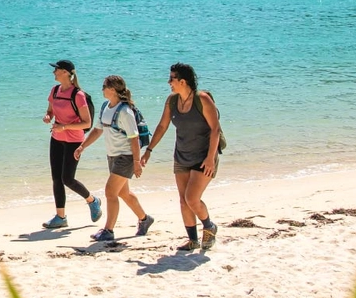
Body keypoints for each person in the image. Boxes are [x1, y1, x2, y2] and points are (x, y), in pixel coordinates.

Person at [142, 63, 222, 251]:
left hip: (204, 156)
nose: (169, 82)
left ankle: (209, 226)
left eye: (172, 78)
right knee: (183, 199)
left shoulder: (202, 99)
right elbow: (162, 126)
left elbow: (215, 129)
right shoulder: (172, 101)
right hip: (181, 156)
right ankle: (193, 239)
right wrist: (149, 150)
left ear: (183, 81)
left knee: (192, 198)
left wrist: (210, 158)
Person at [75, 75, 153, 243]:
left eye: (104, 86)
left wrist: (136, 163)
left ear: (112, 89)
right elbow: (97, 130)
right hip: (112, 156)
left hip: (126, 157)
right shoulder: (105, 107)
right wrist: (82, 146)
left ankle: (108, 230)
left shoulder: (125, 111)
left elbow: (134, 138)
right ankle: (145, 219)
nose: (102, 89)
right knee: (123, 193)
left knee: (110, 191)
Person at [41, 60, 101, 229]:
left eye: (57, 70)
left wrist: (65, 126)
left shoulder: (78, 95)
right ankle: (61, 217)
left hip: (74, 140)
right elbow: (50, 110)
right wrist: (48, 117)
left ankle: (92, 200)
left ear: (66, 73)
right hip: (57, 138)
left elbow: (86, 123)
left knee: (67, 178)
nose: (54, 73)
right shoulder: (54, 91)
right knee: (56, 178)